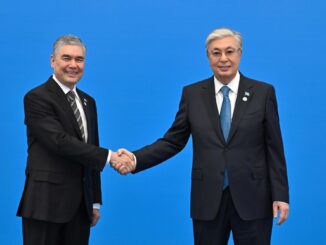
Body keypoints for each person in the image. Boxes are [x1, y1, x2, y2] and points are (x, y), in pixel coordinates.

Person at [114, 28, 290, 245]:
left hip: (254, 197)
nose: (223, 59)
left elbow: (274, 147)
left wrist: (280, 194)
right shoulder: (193, 94)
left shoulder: (263, 93)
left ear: (240, 54)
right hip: (207, 198)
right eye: (216, 53)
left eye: (229, 52)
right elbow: (172, 141)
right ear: (208, 56)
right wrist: (135, 159)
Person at [17, 34, 130, 245]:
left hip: (80, 208)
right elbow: (59, 141)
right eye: (66, 58)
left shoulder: (89, 102)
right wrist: (110, 157)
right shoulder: (36, 98)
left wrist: (95, 201)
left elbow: (90, 149)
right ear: (53, 61)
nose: (73, 65)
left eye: (79, 59)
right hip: (45, 204)